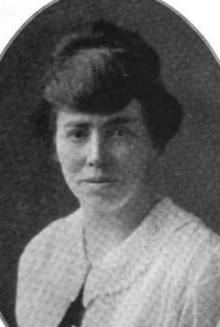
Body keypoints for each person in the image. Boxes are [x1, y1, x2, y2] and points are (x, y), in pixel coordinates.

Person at [15, 20, 220, 327]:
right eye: (77, 133)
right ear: (53, 144)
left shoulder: (201, 267)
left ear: (154, 140)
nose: (96, 157)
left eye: (119, 133)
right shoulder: (42, 252)